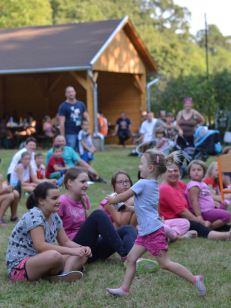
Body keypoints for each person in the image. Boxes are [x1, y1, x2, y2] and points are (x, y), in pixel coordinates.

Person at [106, 149, 206, 297]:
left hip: (152, 232)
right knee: (131, 259)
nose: (139, 167)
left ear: (150, 168)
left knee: (165, 263)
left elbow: (122, 197)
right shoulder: (152, 184)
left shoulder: (142, 183)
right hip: (146, 232)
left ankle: (194, 279)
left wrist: (112, 199)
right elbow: (144, 208)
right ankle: (124, 289)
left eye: (141, 164)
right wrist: (128, 208)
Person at [6, 182, 91, 282]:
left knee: (83, 254)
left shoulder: (54, 215)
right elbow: (41, 246)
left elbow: (65, 242)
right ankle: (60, 273)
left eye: (58, 197)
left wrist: (81, 248)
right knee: (55, 256)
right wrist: (72, 251)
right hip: (20, 267)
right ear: (41, 200)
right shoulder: (34, 215)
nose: (59, 201)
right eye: (54, 198)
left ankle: (65, 274)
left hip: (41, 259)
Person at [58, 168, 136, 262]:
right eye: (83, 182)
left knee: (128, 229)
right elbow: (58, 234)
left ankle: (132, 257)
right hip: (75, 250)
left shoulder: (84, 198)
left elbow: (85, 225)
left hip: (91, 249)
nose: (86, 185)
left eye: (87, 182)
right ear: (70, 182)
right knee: (98, 214)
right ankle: (125, 255)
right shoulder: (62, 202)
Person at [159, 161, 231, 240]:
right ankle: (225, 236)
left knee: (217, 222)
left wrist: (212, 202)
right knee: (199, 226)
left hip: (187, 216)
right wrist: (200, 221)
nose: (173, 173)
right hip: (176, 221)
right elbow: (183, 212)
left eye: (175, 170)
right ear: (163, 173)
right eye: (169, 171)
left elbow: (196, 197)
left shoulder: (180, 184)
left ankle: (224, 229)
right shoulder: (165, 188)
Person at [186, 160, 231, 230]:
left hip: (210, 209)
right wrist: (199, 216)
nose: (196, 172)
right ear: (189, 173)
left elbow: (207, 196)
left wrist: (214, 202)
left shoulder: (202, 183)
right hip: (204, 212)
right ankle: (209, 228)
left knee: (224, 204)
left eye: (199, 170)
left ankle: (214, 223)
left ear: (204, 172)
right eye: (193, 170)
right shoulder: (194, 185)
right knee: (227, 215)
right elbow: (194, 201)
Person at [58, 86, 88, 151]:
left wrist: (89, 129)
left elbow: (87, 118)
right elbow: (61, 123)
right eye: (69, 92)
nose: (71, 93)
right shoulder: (63, 106)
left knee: (83, 151)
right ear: (65, 94)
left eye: (72, 91)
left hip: (81, 132)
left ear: (75, 92)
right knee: (71, 151)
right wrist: (62, 136)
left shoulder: (81, 104)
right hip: (70, 133)